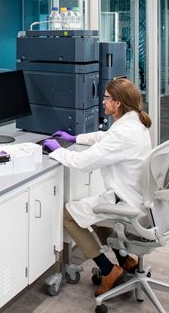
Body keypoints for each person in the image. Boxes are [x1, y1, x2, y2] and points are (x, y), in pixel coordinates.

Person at [40, 78, 152, 296]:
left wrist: (55, 149)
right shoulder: (136, 123)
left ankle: (108, 269)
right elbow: (106, 137)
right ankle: (124, 259)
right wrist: (75, 137)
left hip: (127, 202)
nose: (103, 102)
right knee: (95, 212)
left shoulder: (123, 132)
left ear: (118, 103)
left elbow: (83, 163)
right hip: (135, 198)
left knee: (69, 215)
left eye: (107, 98)